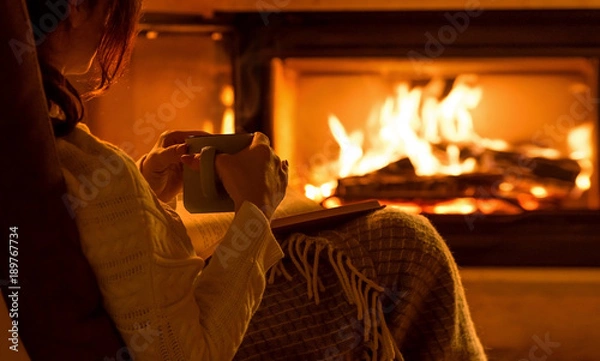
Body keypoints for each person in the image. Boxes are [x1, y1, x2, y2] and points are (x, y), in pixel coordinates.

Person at [25, 0, 488, 360]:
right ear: (77, 6)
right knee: (408, 245)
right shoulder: (80, 162)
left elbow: (92, 242)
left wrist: (146, 194)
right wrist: (254, 213)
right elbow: (186, 354)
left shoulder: (34, 134)